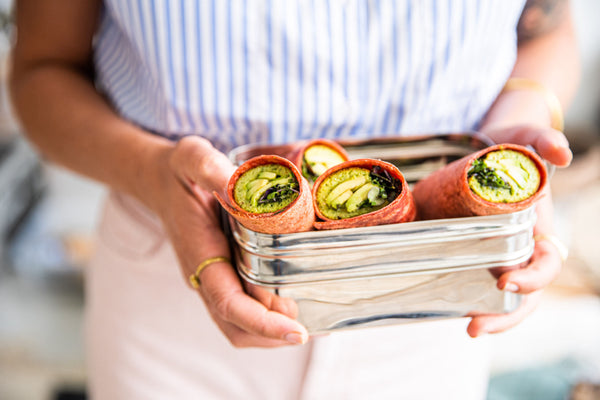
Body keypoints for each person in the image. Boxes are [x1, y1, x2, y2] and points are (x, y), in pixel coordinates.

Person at [9, 0, 579, 398]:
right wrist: (151, 171)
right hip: (176, 292)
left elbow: (548, 33)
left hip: (434, 300)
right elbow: (42, 70)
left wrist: (517, 131)